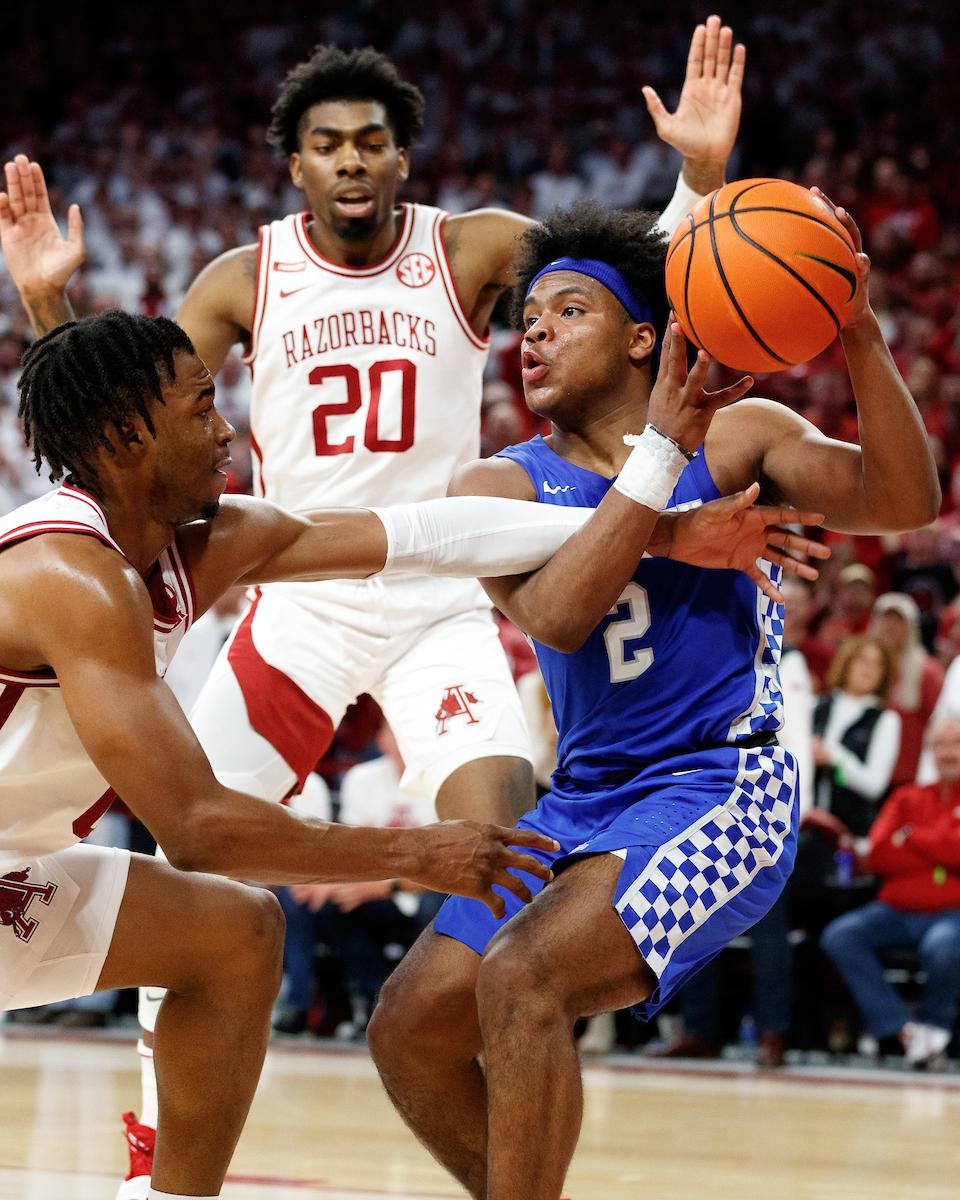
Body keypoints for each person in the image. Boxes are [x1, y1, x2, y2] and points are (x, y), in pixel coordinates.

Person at [0, 21, 747, 1181]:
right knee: (209, 861)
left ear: (404, 156)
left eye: (372, 141)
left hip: (428, 597)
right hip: (297, 616)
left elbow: (581, 326)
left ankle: (503, 1074)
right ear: (292, 164)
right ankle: (158, 1149)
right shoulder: (232, 298)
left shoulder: (463, 258)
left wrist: (655, 511)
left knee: (417, 872)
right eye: (207, 407)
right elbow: (108, 400)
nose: (226, 423)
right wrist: (50, 313)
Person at [365, 193, 940, 1200]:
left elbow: (904, 502)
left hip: (724, 786)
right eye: (528, 316)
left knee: (523, 975)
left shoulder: (740, 435)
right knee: (410, 1028)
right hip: (583, 796)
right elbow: (556, 615)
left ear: (645, 338)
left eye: (569, 309)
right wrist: (659, 479)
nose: (534, 331)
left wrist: (856, 331)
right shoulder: (499, 486)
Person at [821, 716, 960, 1068]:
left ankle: (934, 1029)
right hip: (895, 909)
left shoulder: (910, 814)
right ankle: (904, 1031)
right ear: (931, 751)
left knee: (944, 947)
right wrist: (941, 856)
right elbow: (880, 854)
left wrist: (912, 837)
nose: (948, 753)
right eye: (941, 745)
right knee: (840, 935)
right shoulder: (906, 796)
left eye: (955, 744)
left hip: (951, 912)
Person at [811, 634, 902, 838]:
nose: (868, 669)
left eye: (877, 664)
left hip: (851, 831)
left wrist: (835, 756)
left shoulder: (886, 719)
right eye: (862, 660)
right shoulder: (816, 706)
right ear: (846, 663)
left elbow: (875, 785)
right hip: (805, 825)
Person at [870, 592, 944, 789]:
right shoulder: (863, 667)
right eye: (885, 619)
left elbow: (938, 722)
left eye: (898, 620)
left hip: (906, 778)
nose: (890, 626)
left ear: (910, 627)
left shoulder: (927, 671)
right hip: (862, 775)